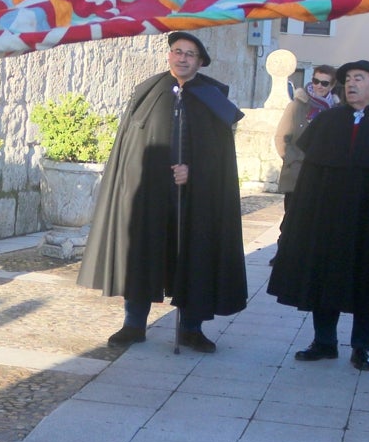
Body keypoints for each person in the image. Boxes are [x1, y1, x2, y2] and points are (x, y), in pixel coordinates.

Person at [78, 31, 247, 353]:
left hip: (195, 200)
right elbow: (130, 146)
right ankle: (134, 324)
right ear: (169, 55)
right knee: (143, 254)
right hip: (150, 193)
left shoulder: (212, 97)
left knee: (195, 257)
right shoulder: (149, 92)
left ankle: (191, 328)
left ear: (200, 62)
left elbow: (220, 156)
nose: (181, 58)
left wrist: (193, 172)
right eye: (177, 51)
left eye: (189, 54)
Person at [268, 59, 369, 371]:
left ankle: (362, 348)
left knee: (367, 284)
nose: (350, 84)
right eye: (347, 78)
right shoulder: (327, 122)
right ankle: (324, 342)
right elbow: (310, 176)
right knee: (325, 279)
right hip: (329, 220)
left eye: (359, 79)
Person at [270, 65, 337, 264]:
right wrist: (291, 160)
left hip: (324, 173)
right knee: (291, 216)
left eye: (324, 83)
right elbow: (282, 136)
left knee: (318, 216)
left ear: (332, 85)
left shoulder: (336, 110)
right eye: (316, 81)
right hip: (298, 170)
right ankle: (282, 254)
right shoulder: (298, 105)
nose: (319, 86)